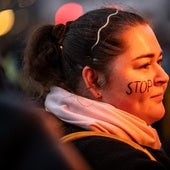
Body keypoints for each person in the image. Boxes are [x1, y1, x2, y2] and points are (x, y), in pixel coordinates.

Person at [23, 6, 170, 169]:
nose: (164, 77)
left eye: (159, 61)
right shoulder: (119, 161)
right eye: (144, 65)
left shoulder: (46, 140)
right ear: (93, 80)